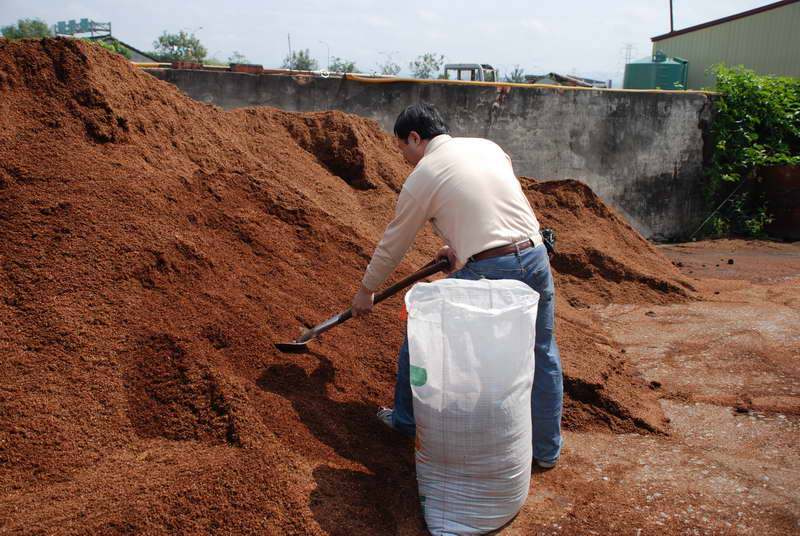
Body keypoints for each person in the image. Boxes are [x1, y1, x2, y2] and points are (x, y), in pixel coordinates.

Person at [351, 103, 563, 469]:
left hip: (494, 268)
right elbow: (490, 199)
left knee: (423, 329)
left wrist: (367, 289)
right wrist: (463, 249)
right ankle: (545, 452)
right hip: (535, 254)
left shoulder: (424, 176)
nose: (402, 156)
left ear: (416, 138)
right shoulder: (488, 147)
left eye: (402, 147)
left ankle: (405, 421)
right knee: (540, 352)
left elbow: (393, 243)